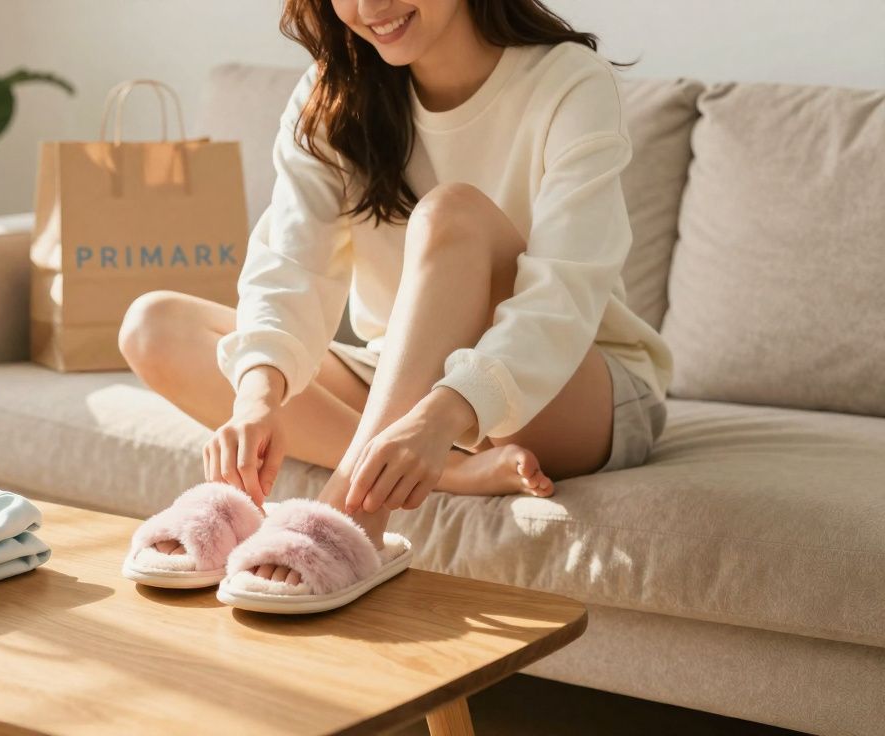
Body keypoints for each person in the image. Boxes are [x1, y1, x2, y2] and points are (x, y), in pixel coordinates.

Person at [119, 0, 671, 609]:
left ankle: (351, 512)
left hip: (578, 388)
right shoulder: (333, 93)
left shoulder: (567, 80)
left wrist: (443, 414)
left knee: (450, 211)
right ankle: (451, 471)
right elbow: (290, 266)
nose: (370, 7)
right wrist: (257, 398)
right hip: (404, 382)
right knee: (154, 325)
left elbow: (565, 293)